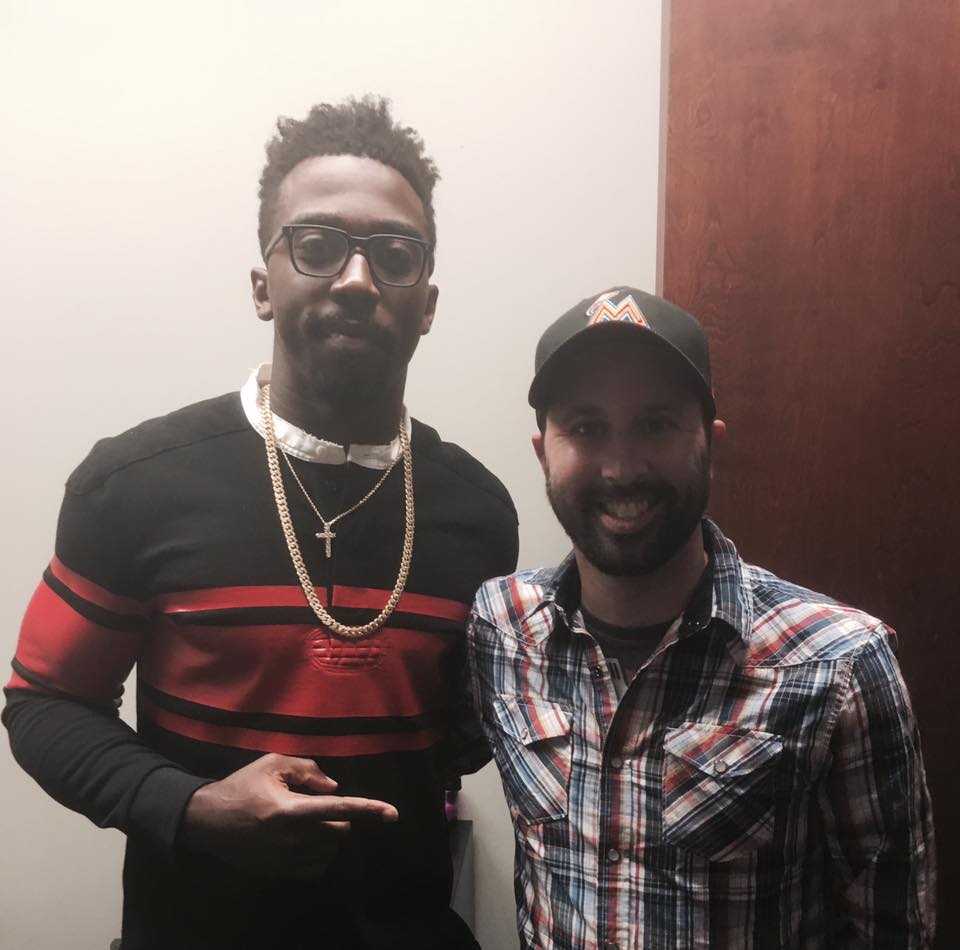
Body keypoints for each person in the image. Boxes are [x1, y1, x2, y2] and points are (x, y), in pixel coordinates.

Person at [4, 96, 518, 950]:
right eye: (318, 247)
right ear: (261, 285)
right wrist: (193, 807)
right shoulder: (134, 483)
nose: (357, 280)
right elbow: (45, 704)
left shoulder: (478, 513)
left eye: (394, 255)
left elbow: (461, 736)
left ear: (427, 301)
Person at [467, 286, 935, 949]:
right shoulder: (499, 629)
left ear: (709, 444)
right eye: (587, 427)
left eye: (656, 424)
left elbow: (893, 930)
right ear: (544, 450)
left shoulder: (842, 664)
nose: (622, 466)